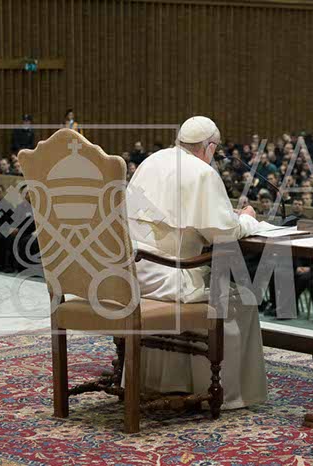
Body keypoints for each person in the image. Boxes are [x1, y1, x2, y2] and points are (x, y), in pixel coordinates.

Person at [126, 115, 267, 410]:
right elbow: (223, 234)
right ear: (210, 147)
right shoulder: (202, 173)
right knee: (242, 299)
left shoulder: (151, 161)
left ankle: (161, 381)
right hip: (171, 277)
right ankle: (227, 394)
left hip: (134, 275)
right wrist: (248, 219)